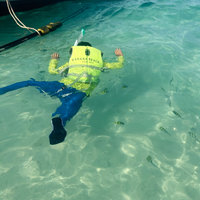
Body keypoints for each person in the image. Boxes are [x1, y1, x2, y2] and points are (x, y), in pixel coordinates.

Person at [0, 41, 124, 145]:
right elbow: (119, 65)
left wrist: (54, 60)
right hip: (79, 92)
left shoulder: (71, 63)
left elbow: (52, 71)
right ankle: (60, 121)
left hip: (61, 86)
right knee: (69, 108)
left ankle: (3, 90)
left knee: (31, 83)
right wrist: (119, 56)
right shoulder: (100, 64)